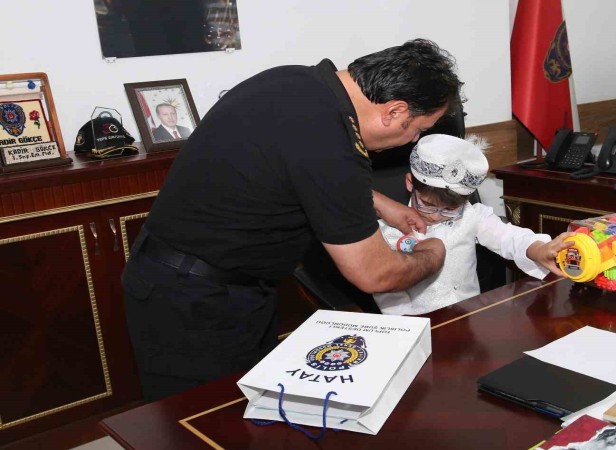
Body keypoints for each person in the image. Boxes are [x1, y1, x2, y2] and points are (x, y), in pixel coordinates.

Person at [122, 39, 463, 401]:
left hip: (203, 282)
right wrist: (434, 254)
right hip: (195, 304)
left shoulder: (295, 82)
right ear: (394, 111)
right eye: (419, 129)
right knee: (205, 419)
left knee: (251, 408)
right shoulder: (333, 143)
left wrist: (379, 202)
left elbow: (292, 168)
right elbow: (375, 273)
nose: (413, 139)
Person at [373, 134, 575, 315]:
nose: (435, 216)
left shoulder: (472, 215)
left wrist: (538, 249)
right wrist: (412, 325)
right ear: (410, 182)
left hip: (469, 317)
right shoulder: (386, 231)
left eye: (450, 209)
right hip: (422, 323)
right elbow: (389, 293)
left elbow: (508, 237)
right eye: (427, 204)